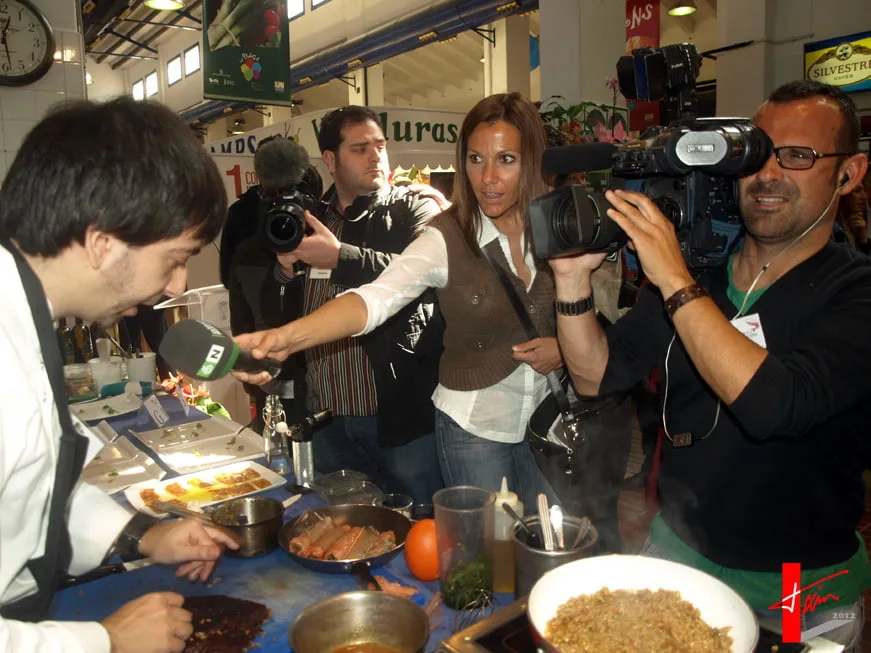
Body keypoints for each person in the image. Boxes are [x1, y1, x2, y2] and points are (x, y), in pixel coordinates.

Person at [550, 80, 871, 649]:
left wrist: (672, 277)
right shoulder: (703, 269)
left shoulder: (856, 292)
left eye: (798, 156)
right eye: (757, 152)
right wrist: (571, 283)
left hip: (800, 582)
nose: (768, 173)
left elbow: (776, 405)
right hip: (679, 550)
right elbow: (595, 375)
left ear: (849, 174)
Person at [233, 93, 561, 511]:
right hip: (470, 424)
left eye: (506, 159)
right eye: (476, 160)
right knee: (483, 551)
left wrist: (564, 347)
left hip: (544, 422)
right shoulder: (448, 234)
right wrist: (283, 338)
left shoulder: (556, 225)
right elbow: (378, 297)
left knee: (552, 540)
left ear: (531, 160)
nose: (488, 177)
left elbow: (596, 315)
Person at [0, 98, 238, 652]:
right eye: (176, 258)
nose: (178, 284)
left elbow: (29, 492)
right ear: (101, 241)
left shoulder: (26, 320)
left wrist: (142, 536)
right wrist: (102, 642)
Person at [267, 105, 445, 505]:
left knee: (422, 526)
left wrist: (340, 258)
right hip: (324, 415)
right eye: (360, 149)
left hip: (397, 414)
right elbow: (282, 308)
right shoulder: (311, 220)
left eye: (380, 146)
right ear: (330, 160)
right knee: (346, 528)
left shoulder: (414, 209)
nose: (376, 157)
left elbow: (418, 276)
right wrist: (283, 272)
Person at [227, 138, 316, 432]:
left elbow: (236, 301)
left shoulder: (241, 218)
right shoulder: (316, 222)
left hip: (274, 360)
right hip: (301, 361)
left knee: (276, 436)